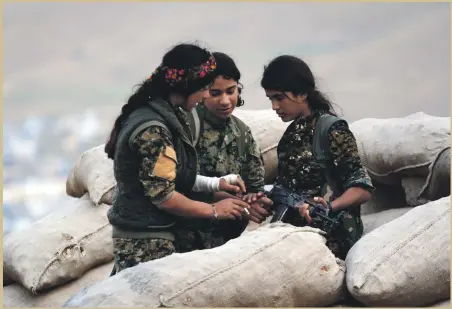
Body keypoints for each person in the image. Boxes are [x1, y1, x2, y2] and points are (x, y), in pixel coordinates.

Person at [104, 43, 252, 274]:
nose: (205, 95)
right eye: (204, 88)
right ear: (187, 86)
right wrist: (214, 210)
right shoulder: (153, 130)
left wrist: (216, 185)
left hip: (155, 235)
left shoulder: (168, 116)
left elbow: (172, 176)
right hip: (146, 242)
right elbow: (164, 197)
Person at [260, 55, 374, 259]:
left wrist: (328, 207)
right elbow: (285, 186)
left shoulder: (331, 130)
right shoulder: (290, 136)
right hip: (294, 237)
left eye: (279, 98)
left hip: (329, 240)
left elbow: (362, 189)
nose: (274, 107)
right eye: (271, 99)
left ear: (302, 93)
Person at [185, 52, 273, 245]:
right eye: (215, 93)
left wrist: (253, 201)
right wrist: (216, 195)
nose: (225, 101)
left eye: (231, 91)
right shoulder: (187, 125)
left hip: (224, 245)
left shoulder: (242, 134)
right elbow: (170, 184)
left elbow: (254, 186)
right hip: (183, 240)